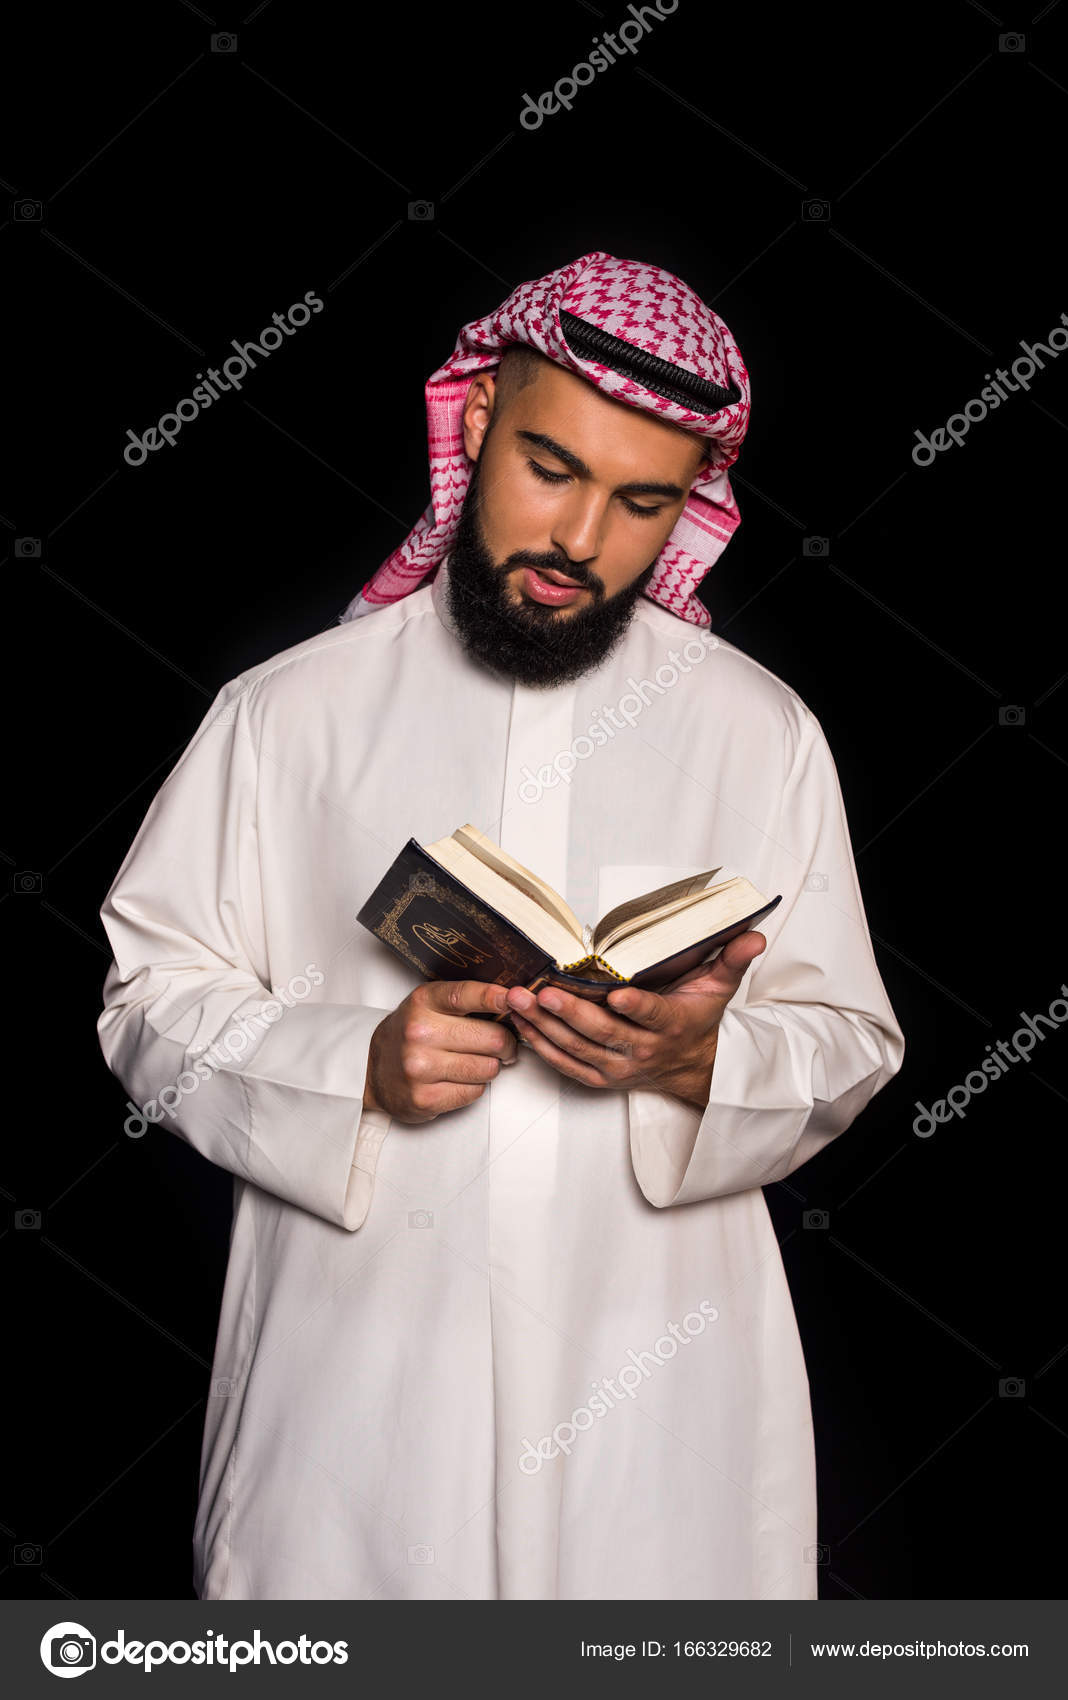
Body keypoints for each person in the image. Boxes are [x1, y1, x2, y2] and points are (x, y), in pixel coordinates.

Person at [97, 250, 905, 1601]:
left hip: (660, 1427)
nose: (580, 539)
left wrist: (697, 1061)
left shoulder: (758, 733)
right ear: (477, 423)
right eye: (551, 468)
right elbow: (146, 1003)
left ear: (691, 504)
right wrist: (354, 1065)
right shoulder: (287, 716)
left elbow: (850, 1040)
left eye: (641, 502)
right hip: (351, 1431)